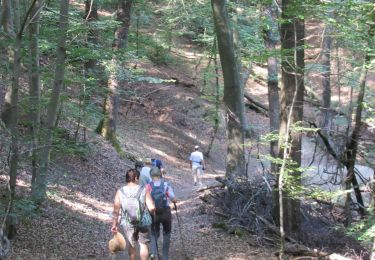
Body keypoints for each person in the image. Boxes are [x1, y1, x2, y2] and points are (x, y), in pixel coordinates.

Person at [111, 169, 155, 260]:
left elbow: (116, 210)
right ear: (135, 178)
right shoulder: (144, 189)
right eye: (138, 178)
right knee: (143, 245)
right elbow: (151, 208)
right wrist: (154, 214)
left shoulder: (120, 192)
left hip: (127, 222)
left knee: (131, 244)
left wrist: (114, 225)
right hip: (143, 221)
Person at [146, 167, 177, 260]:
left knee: (154, 233)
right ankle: (165, 256)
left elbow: (145, 200)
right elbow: (174, 198)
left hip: (154, 213)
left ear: (151, 175)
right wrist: (174, 201)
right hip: (165, 213)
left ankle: (153, 253)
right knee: (167, 233)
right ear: (160, 175)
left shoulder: (148, 186)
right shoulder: (166, 185)